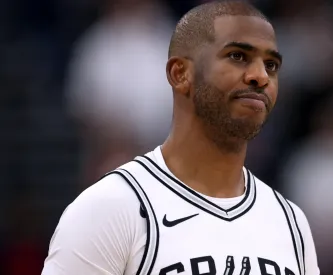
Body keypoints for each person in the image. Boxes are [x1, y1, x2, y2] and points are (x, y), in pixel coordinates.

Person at [42, 1, 319, 275]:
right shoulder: (111, 208)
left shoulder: (290, 222)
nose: (260, 76)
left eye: (271, 65)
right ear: (180, 74)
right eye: (237, 56)